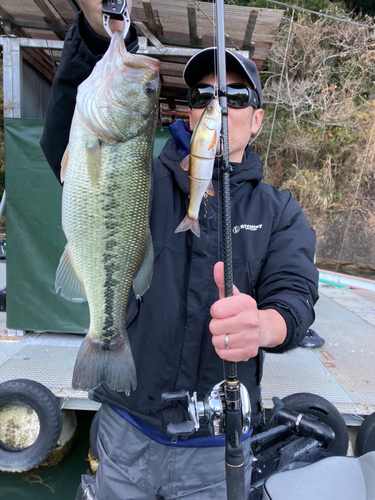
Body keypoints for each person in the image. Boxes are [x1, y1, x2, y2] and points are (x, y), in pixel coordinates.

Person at [40, 1, 319, 498]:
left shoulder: (281, 211)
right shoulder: (141, 176)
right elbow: (66, 137)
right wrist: (95, 29)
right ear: (190, 112)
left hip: (216, 449)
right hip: (126, 430)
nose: (218, 103)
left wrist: (265, 325)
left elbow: (295, 298)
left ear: (256, 121)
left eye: (234, 95)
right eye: (204, 94)